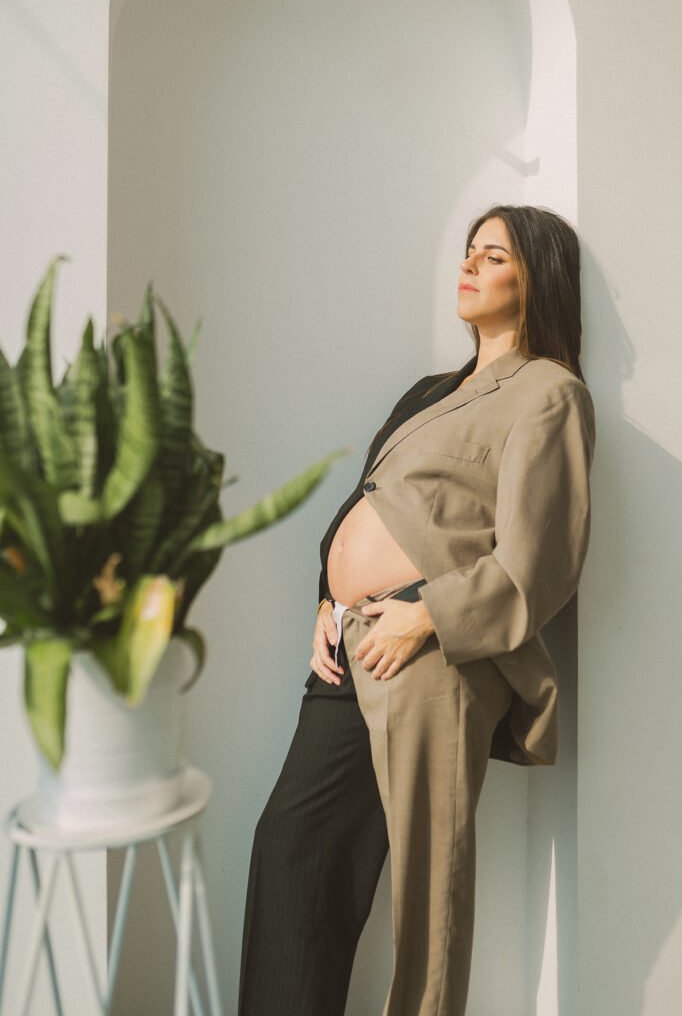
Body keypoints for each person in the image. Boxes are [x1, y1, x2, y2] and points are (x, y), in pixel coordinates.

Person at [238, 204, 596, 1016]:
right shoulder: (432, 392)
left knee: (429, 893)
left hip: (430, 648)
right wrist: (328, 598)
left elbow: (542, 560)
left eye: (494, 255)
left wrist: (427, 614)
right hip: (351, 640)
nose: (468, 265)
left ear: (537, 276)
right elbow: (368, 501)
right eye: (469, 251)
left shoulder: (549, 394)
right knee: (292, 848)